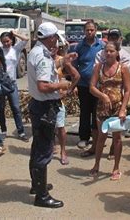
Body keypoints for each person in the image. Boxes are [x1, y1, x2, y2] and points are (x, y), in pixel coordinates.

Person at [27, 22, 76, 208]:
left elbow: (46, 69)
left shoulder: (37, 51)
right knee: (43, 151)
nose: (56, 40)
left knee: (37, 147)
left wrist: (63, 61)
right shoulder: (43, 57)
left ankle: (36, 185)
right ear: (50, 38)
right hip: (45, 107)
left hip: (39, 106)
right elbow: (43, 86)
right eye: (55, 37)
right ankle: (42, 196)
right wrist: (62, 85)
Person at [89, 41, 130, 181]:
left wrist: (123, 109)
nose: (108, 53)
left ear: (117, 53)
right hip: (102, 108)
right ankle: (96, 165)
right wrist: (103, 96)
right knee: (101, 137)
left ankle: (116, 168)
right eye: (106, 51)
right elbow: (92, 87)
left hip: (118, 107)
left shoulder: (123, 68)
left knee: (117, 138)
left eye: (111, 51)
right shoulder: (98, 67)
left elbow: (127, 91)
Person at [71, 21, 105, 152]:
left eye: (92, 30)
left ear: (96, 30)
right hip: (83, 85)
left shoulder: (102, 46)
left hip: (98, 87)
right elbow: (74, 66)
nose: (89, 32)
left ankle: (97, 139)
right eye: (87, 30)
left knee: (97, 113)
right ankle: (84, 138)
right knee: (85, 112)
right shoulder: (79, 47)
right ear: (84, 31)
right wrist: (73, 84)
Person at [0, 31, 29, 141]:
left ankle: (20, 132)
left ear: (11, 40)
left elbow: (26, 39)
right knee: (1, 108)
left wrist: (15, 34)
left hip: (12, 84)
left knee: (16, 108)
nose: (6, 43)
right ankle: (3, 131)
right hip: (1, 84)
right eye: (3, 42)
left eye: (7, 41)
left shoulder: (15, 49)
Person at [54, 36, 80, 166]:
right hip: (44, 97)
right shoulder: (42, 59)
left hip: (57, 99)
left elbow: (76, 76)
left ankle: (63, 152)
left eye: (56, 47)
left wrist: (68, 91)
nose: (53, 49)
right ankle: (52, 146)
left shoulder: (61, 61)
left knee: (60, 127)